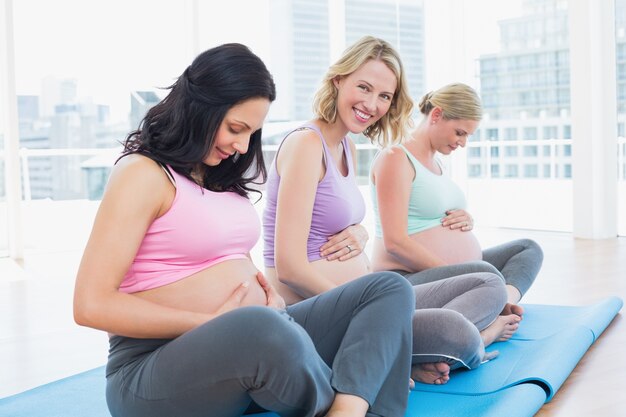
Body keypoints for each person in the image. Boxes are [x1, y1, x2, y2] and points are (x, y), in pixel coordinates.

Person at [73, 43, 417, 417]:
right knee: (262, 330)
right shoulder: (142, 174)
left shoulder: (218, 177)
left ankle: (347, 411)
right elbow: (91, 305)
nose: (240, 146)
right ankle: (362, 386)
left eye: (251, 133)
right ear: (200, 108)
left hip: (257, 343)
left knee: (388, 288)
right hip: (152, 366)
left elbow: (235, 270)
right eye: (236, 128)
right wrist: (209, 324)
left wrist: (273, 309)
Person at [263, 36, 510, 386]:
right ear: (338, 80)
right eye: (363, 87)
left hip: (371, 295)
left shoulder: (346, 145)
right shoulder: (306, 144)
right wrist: (367, 310)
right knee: (459, 333)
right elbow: (288, 268)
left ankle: (400, 353)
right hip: (317, 314)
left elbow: (334, 220)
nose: (372, 104)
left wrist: (360, 232)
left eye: (384, 96)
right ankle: (458, 344)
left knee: (489, 281)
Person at [370, 82, 544, 316]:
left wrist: (466, 219)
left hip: (452, 272)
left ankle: (503, 304)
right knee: (486, 273)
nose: (462, 142)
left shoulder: (437, 162)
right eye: (460, 133)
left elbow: (432, 214)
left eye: (467, 136)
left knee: (527, 249)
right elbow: (395, 242)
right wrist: (463, 275)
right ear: (437, 115)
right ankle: (489, 306)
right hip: (406, 277)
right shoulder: (396, 158)